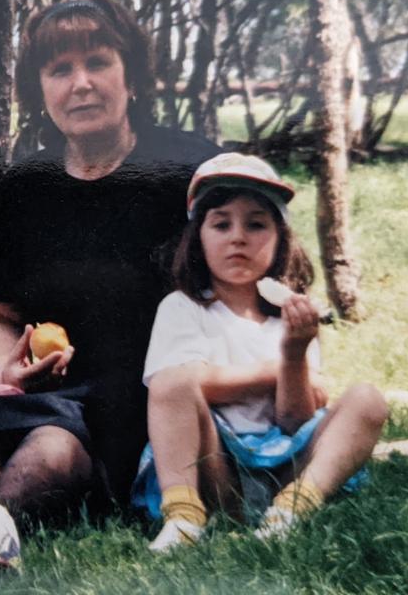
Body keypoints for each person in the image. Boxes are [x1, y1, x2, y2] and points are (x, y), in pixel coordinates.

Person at [0, 0, 221, 521]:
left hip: (144, 402)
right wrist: (9, 367)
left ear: (131, 76)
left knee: (48, 455)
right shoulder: (24, 187)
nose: (80, 83)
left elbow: (247, 294)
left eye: (98, 62)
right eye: (60, 69)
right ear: (40, 91)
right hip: (43, 395)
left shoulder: (190, 170)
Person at [132, 153, 388, 552]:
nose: (239, 237)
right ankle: (184, 517)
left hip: (287, 468)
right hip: (216, 469)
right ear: (198, 237)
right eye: (221, 224)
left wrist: (293, 354)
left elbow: (295, 420)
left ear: (280, 238)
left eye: (256, 224)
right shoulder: (183, 308)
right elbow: (189, 385)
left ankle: (290, 510)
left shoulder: (293, 315)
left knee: (367, 400)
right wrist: (270, 372)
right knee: (171, 380)